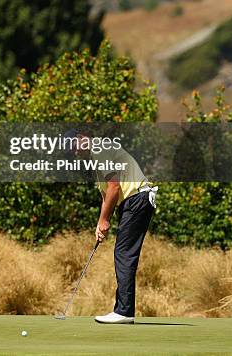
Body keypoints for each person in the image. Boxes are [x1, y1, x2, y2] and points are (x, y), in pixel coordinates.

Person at [74, 131, 158, 324]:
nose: (75, 152)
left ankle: (124, 311)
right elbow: (107, 195)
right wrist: (101, 223)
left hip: (137, 199)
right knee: (123, 252)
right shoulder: (98, 157)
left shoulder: (98, 147)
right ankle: (123, 310)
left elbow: (114, 187)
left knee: (124, 253)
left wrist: (104, 220)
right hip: (132, 203)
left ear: (82, 138)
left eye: (74, 146)